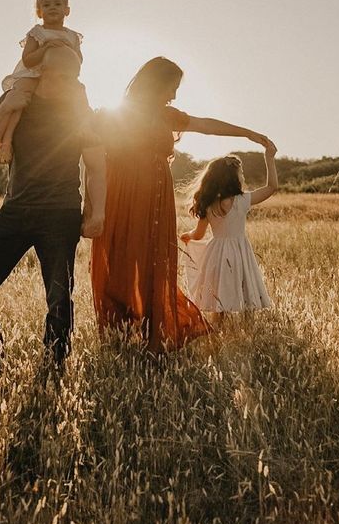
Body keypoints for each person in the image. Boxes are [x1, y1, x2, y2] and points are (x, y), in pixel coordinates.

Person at [90, 56, 272, 353]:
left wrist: (247, 133)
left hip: (155, 198)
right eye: (171, 87)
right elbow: (92, 151)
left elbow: (207, 126)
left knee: (153, 261)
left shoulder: (167, 115)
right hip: (121, 195)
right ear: (156, 84)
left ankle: (151, 331)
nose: (174, 95)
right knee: (120, 257)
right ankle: (120, 330)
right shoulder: (118, 114)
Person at [0, 46, 106, 373]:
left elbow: (96, 164)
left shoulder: (79, 109)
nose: (68, 83)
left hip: (61, 213)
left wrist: (98, 213)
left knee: (59, 299)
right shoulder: (16, 98)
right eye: (60, 75)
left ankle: (53, 371)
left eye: (73, 77)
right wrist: (7, 107)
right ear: (40, 71)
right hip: (16, 209)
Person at [180, 140, 278, 320]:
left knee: (219, 300)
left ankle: (218, 333)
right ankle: (248, 331)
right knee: (246, 292)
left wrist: (188, 236)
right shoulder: (242, 200)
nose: (243, 177)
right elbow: (272, 187)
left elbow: (199, 234)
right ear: (235, 178)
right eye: (241, 173)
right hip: (240, 251)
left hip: (216, 254)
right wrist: (269, 158)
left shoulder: (207, 204)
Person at [0, 0, 89, 164]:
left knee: (79, 91)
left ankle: (83, 126)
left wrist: (66, 53)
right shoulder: (37, 33)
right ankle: (7, 140)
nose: (52, 7)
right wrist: (45, 48)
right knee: (20, 100)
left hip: (60, 75)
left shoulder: (73, 36)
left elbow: (79, 61)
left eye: (57, 4)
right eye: (46, 5)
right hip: (34, 73)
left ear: (67, 10)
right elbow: (28, 59)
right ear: (39, 12)